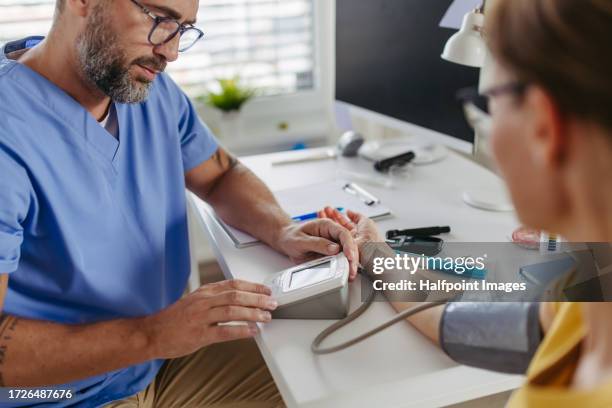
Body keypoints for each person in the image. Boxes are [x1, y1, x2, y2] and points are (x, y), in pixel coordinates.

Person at [0, 0, 359, 406]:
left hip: (157, 364)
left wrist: (284, 229)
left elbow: (221, 175)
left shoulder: (144, 88)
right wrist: (154, 334)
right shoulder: (9, 131)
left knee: (343, 378)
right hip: (57, 398)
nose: (170, 51)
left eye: (183, 29)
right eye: (159, 19)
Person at [320, 0, 612, 405]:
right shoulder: (583, 296)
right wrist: (376, 254)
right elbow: (454, 323)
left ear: (545, 127)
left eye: (486, 104)